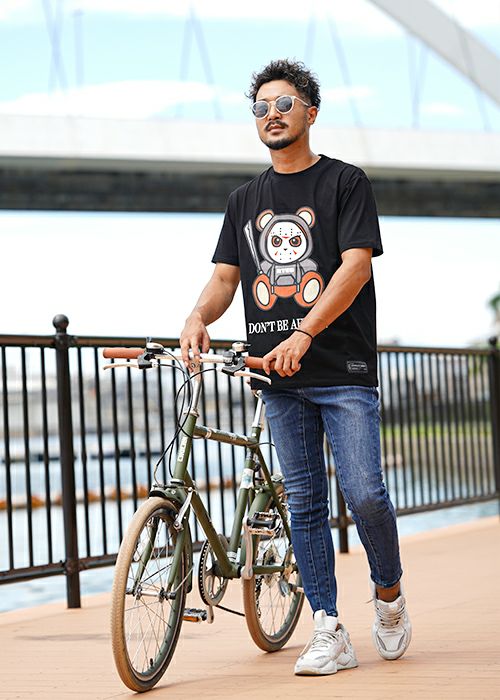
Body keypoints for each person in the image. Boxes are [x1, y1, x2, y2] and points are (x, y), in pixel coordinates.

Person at [180, 58, 411, 676]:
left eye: (284, 104)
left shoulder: (345, 183)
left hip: (342, 368)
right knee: (304, 504)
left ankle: (389, 596)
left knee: (365, 494)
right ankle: (328, 627)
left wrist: (305, 332)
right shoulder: (244, 200)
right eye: (261, 107)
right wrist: (197, 316)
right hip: (276, 377)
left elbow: (355, 267)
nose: (272, 115)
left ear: (310, 112)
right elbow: (226, 278)